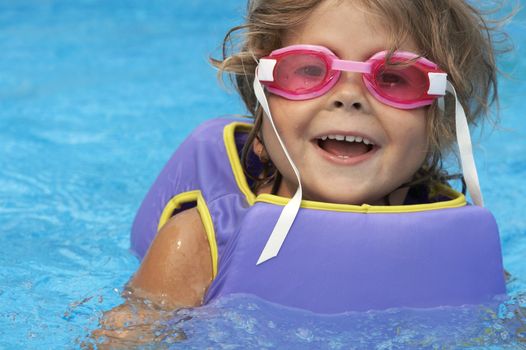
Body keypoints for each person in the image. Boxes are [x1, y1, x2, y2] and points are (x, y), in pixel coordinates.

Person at [93, 0, 510, 344]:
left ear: (437, 120)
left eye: (393, 78)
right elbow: (126, 338)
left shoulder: (456, 246)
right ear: (262, 101)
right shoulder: (201, 246)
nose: (349, 97)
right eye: (310, 70)